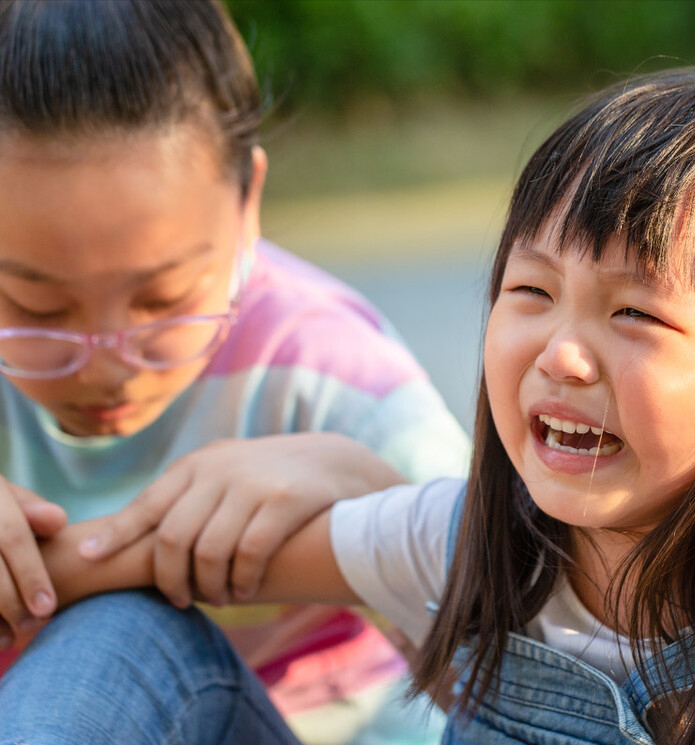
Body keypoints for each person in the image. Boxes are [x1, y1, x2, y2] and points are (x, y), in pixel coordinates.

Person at [7, 68, 695, 744]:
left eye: (634, 313)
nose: (562, 352)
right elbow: (126, 556)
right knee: (124, 631)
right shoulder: (470, 539)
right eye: (531, 293)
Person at [0, 0, 466, 742]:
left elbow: (531, 673)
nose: (111, 364)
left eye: (163, 300)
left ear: (249, 198)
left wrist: (373, 500)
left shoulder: (334, 380)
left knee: (117, 633)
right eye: (37, 307)